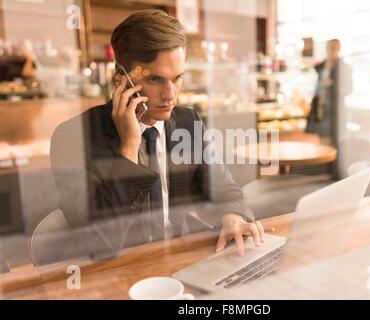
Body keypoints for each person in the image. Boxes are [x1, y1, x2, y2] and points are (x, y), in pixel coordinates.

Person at [50, 9, 265, 258]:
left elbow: (225, 190)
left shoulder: (187, 122)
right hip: (116, 270)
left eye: (177, 78)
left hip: (177, 258)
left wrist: (233, 217)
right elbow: (100, 242)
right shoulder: (71, 138)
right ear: (121, 79)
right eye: (155, 80)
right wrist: (129, 148)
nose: (170, 95)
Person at [306, 39, 342, 147]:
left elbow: (348, 89)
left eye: (333, 48)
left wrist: (332, 85)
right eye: (328, 48)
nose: (330, 51)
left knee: (334, 141)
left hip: (334, 109)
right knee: (322, 140)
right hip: (320, 108)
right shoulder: (322, 65)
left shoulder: (342, 67)